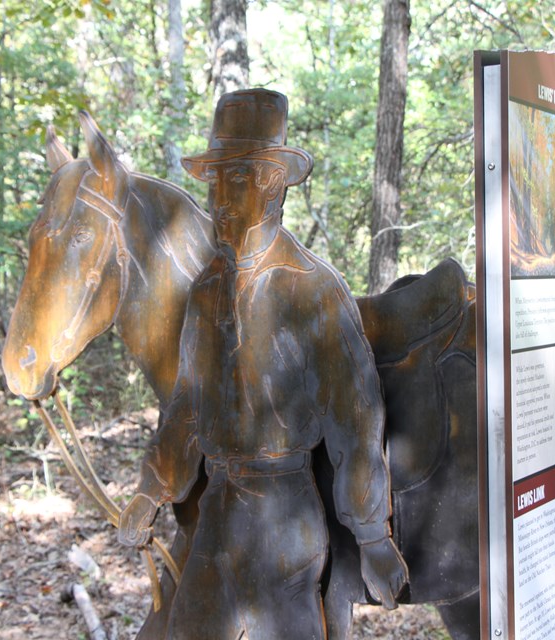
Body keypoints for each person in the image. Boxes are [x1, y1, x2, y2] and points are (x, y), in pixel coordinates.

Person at [118, 89, 408, 639]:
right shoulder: (207, 291)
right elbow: (186, 405)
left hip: (286, 522)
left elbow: (357, 419)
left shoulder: (313, 290)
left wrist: (373, 536)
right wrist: (151, 489)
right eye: (215, 181)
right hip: (219, 515)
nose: (221, 197)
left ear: (274, 183)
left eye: (239, 180)